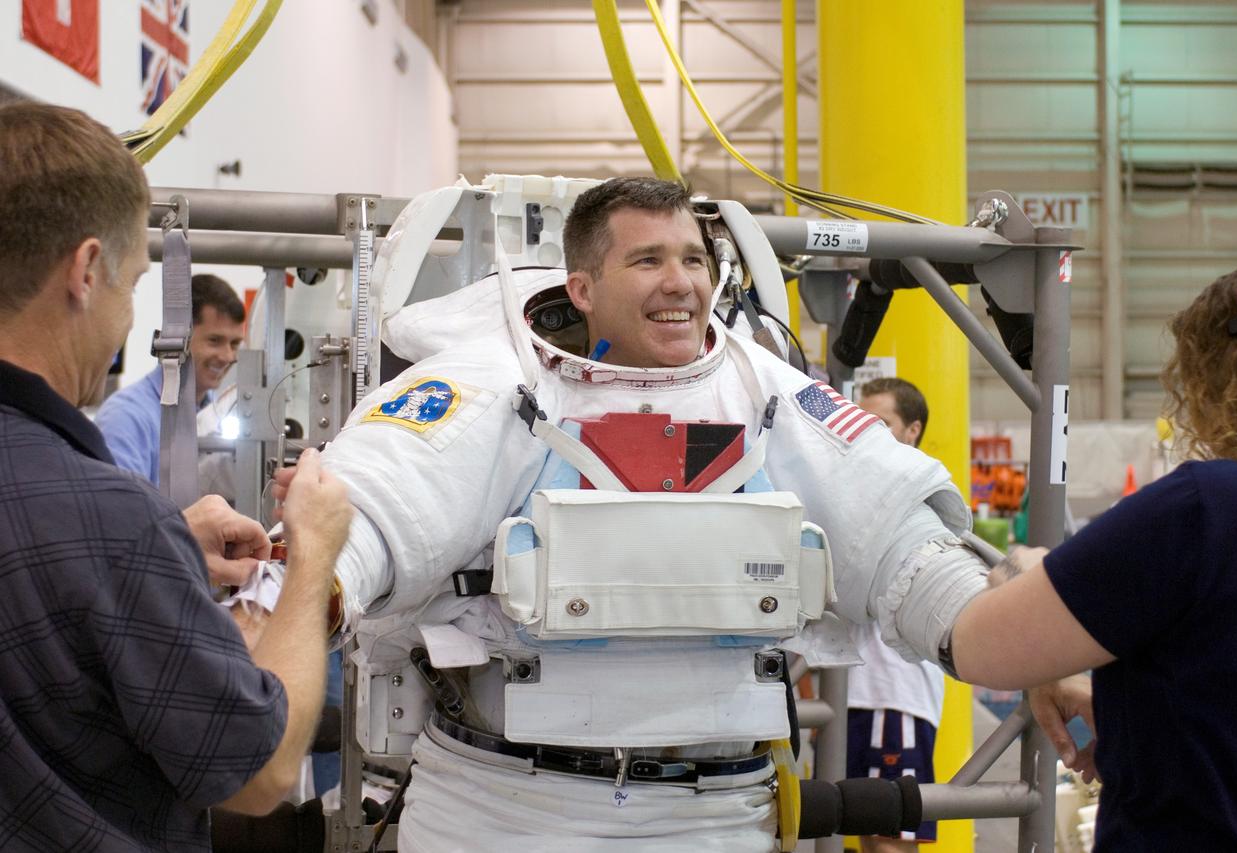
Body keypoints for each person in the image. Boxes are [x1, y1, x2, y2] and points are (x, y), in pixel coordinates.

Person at [296, 175, 1015, 852]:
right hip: (502, 813)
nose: (681, 281)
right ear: (581, 287)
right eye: (648, 260)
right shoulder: (493, 383)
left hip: (715, 817)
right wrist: (302, 589)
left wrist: (1020, 641)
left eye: (694, 260)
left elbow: (902, 553)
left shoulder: (764, 395)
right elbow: (371, 517)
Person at [0, 102, 352, 852]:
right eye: (132, 286)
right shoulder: (109, 516)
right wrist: (313, 557)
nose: (128, 321)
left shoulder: (104, 522)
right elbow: (259, 774)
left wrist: (168, 550)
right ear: (87, 270)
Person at [953, 256, 1237, 850]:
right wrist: (1140, 716)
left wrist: (1022, 574)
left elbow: (980, 646)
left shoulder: (1206, 508)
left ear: (1217, 378)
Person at [848, 377, 943, 852]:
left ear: (913, 430)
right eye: (863, 421)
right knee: (867, 836)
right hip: (857, 693)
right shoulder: (860, 492)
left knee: (891, 841)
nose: (870, 434)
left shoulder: (925, 500)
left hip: (894, 695)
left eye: (882, 424)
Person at [95, 273, 245, 485]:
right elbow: (121, 512)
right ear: (177, 338)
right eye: (214, 341)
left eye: (235, 344)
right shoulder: (125, 418)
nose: (228, 356)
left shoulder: (217, 415)